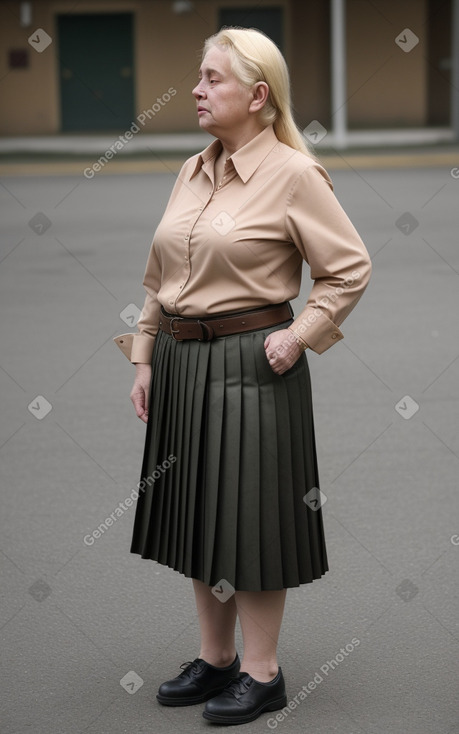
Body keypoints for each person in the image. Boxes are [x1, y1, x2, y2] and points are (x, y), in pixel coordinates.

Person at [114, 26, 371, 726]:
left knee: (250, 520)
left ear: (258, 96)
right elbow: (157, 280)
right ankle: (216, 659)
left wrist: (299, 337)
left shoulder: (292, 173)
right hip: (179, 361)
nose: (195, 90)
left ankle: (261, 673)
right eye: (197, 78)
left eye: (211, 79)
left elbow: (347, 268)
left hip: (254, 363)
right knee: (199, 515)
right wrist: (143, 357)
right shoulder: (191, 170)